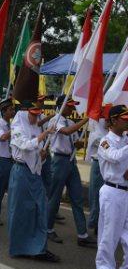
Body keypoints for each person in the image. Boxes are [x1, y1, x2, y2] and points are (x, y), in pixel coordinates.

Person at [7, 102, 59, 262]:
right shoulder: (17, 127)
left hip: (35, 173)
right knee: (20, 211)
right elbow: (25, 146)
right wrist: (44, 135)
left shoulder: (37, 128)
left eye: (38, 114)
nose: (36, 117)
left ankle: (38, 248)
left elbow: (37, 152)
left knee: (39, 208)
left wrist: (42, 156)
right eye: (33, 113)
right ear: (24, 112)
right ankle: (20, 247)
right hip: (21, 172)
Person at [46, 95, 96, 246]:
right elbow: (66, 132)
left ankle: (82, 234)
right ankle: (48, 229)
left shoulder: (71, 121)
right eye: (69, 106)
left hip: (70, 161)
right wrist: (87, 119)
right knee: (54, 198)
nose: (72, 108)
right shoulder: (54, 120)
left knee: (77, 197)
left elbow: (73, 141)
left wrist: (78, 144)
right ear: (61, 106)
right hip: (59, 161)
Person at [95, 105, 128, 269]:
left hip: (126, 191)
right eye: (125, 118)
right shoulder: (105, 141)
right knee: (110, 234)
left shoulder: (125, 140)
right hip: (112, 191)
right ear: (114, 120)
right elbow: (114, 157)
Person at [0, 99, 15, 226]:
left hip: (12, 161)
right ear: (4, 111)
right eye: (10, 109)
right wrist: (16, 128)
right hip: (1, 160)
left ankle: (13, 216)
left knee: (13, 190)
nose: (13, 112)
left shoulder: (11, 124)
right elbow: (3, 137)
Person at [86, 107, 109, 235]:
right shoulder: (98, 135)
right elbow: (108, 149)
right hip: (98, 165)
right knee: (96, 196)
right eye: (106, 119)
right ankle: (94, 224)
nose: (108, 121)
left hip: (105, 166)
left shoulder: (107, 133)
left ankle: (100, 223)